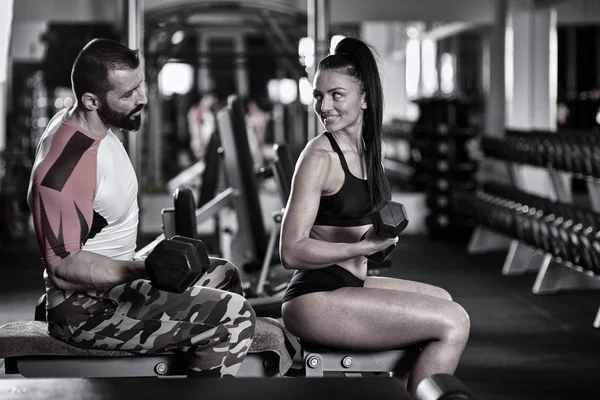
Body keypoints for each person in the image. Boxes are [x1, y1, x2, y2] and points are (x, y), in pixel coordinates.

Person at [26, 38, 256, 378]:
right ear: (91, 100)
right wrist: (142, 268)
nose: (142, 98)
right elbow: (62, 268)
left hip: (112, 286)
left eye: (140, 85)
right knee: (234, 317)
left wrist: (143, 265)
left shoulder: (94, 124)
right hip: (85, 310)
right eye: (128, 94)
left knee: (223, 273)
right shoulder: (64, 169)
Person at [279, 37, 470, 394]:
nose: (325, 106)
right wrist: (361, 248)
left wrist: (380, 242)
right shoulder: (319, 156)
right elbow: (290, 252)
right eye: (319, 96)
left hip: (350, 284)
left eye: (337, 95)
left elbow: (358, 230)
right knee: (454, 322)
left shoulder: (368, 151)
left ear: (364, 98)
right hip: (314, 297)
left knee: (444, 300)